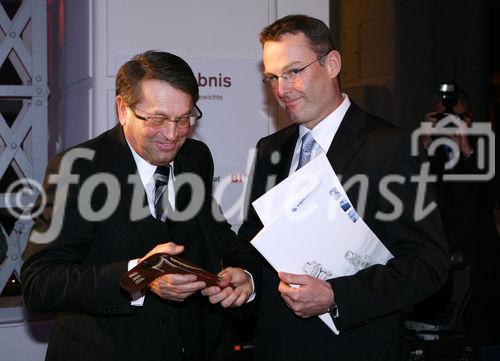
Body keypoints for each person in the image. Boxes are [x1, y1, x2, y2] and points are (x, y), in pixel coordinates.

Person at [21, 50, 258, 361]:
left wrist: (244, 275)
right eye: (157, 119)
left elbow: (218, 238)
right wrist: (138, 276)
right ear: (123, 109)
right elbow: (40, 283)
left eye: (184, 118)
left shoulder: (196, 158)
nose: (172, 135)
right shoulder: (78, 169)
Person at [237, 15, 449, 361]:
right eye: (272, 78)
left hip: (355, 347)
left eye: (294, 71)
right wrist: (244, 276)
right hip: (275, 345)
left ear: (332, 64)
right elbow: (254, 238)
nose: (281, 89)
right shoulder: (270, 150)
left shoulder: (391, 148)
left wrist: (337, 295)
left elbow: (428, 265)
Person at [419, 84, 500, 360]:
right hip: (438, 262)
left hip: (480, 262)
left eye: (458, 118)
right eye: (443, 118)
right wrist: (427, 145)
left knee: (485, 333)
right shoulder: (426, 152)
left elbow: (495, 190)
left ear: (470, 119)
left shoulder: (485, 147)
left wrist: (467, 148)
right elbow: (406, 192)